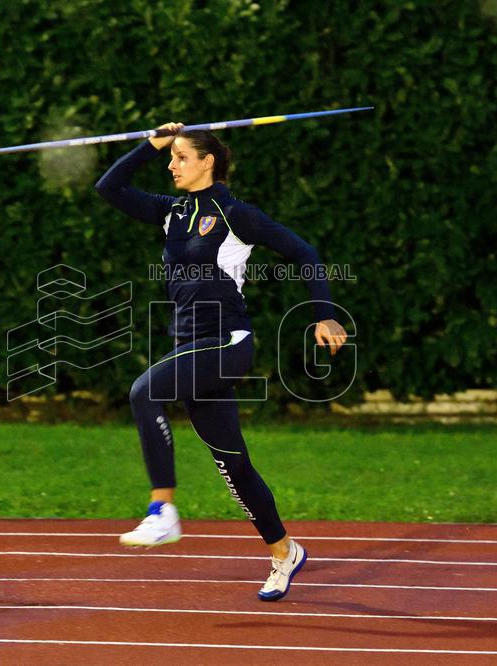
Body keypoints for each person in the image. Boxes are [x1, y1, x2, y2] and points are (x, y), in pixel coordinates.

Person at [94, 122, 348, 601]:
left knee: (144, 391)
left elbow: (305, 253)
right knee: (234, 466)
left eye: (181, 157)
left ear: (207, 161)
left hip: (227, 342)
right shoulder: (169, 213)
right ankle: (283, 551)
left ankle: (161, 511)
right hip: (188, 346)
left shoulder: (234, 213)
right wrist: (152, 144)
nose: (172, 165)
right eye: (171, 158)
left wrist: (324, 316)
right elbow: (109, 187)